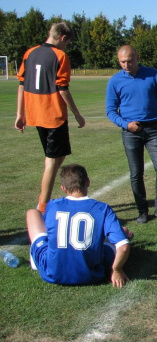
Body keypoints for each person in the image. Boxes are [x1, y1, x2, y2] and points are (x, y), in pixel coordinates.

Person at [15, 22, 86, 214]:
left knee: (59, 156)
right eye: (68, 42)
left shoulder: (30, 53)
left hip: (34, 113)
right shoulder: (60, 56)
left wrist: (20, 114)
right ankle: (43, 207)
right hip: (52, 115)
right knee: (51, 161)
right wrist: (78, 115)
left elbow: (21, 84)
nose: (66, 46)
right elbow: (63, 90)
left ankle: (46, 198)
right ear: (63, 38)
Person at [28, 164, 131, 287]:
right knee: (122, 234)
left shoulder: (52, 205)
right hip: (92, 275)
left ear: (63, 188)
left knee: (32, 213)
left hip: (52, 272)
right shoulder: (102, 208)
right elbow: (123, 247)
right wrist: (116, 270)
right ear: (87, 182)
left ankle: (35, 259)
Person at [106, 45, 157, 224]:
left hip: (153, 129)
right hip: (130, 132)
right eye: (122, 62)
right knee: (136, 173)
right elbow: (111, 111)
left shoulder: (152, 74)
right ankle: (142, 210)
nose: (126, 65)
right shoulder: (114, 81)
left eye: (129, 61)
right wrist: (126, 124)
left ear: (137, 58)